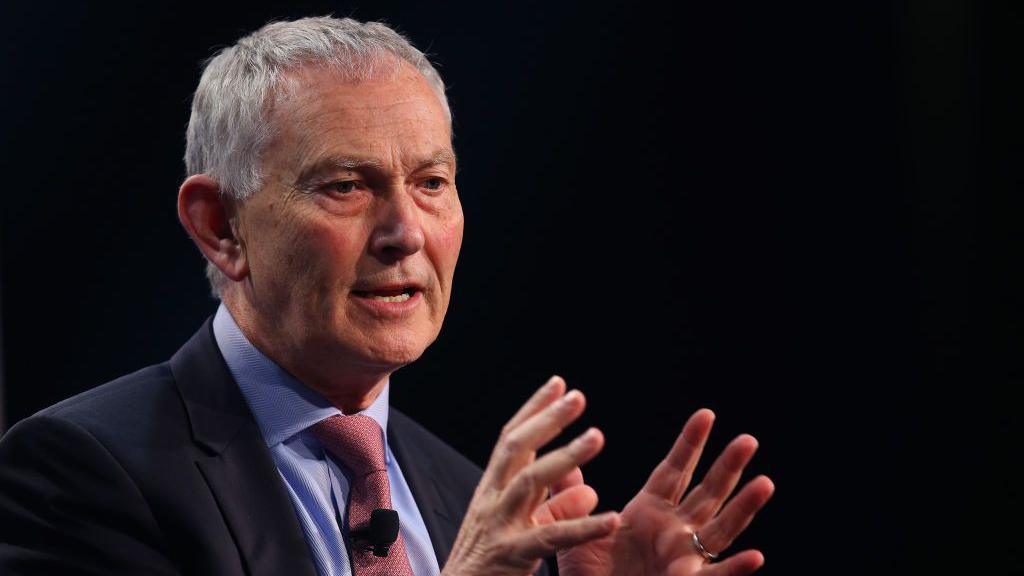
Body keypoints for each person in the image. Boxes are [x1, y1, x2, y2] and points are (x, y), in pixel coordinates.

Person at [0, 16, 774, 576]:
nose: (406, 230)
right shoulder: (82, 474)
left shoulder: (464, 494)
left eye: (431, 183)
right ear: (221, 226)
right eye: (346, 186)